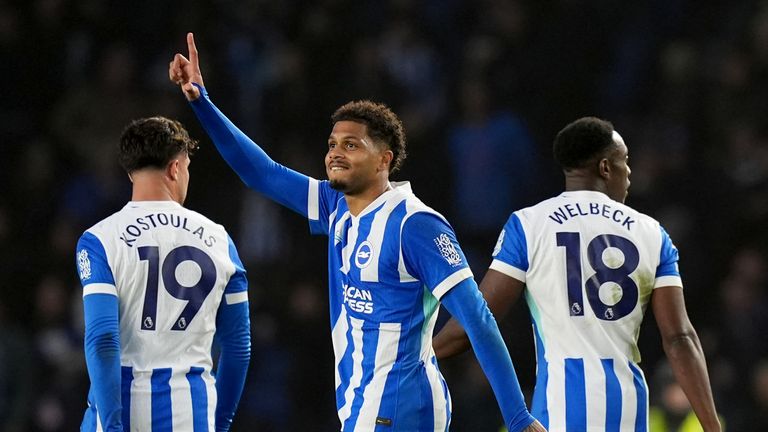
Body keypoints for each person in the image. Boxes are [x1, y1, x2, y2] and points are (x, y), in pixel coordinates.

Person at [169, 32, 545, 432]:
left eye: (351, 145)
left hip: (399, 405)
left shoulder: (415, 225)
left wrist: (517, 416)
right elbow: (261, 172)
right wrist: (201, 102)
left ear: (384, 160)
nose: (335, 152)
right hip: (362, 401)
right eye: (333, 144)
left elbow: (478, 318)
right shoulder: (336, 207)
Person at [433, 116, 721, 431]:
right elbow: (680, 338)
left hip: (559, 412)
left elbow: (477, 320)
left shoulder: (529, 225)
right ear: (605, 168)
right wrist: (712, 426)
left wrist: (418, 354)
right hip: (627, 413)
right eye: (624, 161)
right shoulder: (652, 232)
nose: (629, 172)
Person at [75, 116, 251, 431]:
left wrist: (112, 426)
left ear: (131, 171)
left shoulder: (99, 240)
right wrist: (221, 423)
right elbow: (237, 346)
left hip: (121, 412)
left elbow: (102, 339)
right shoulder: (220, 240)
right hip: (192, 414)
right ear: (175, 168)